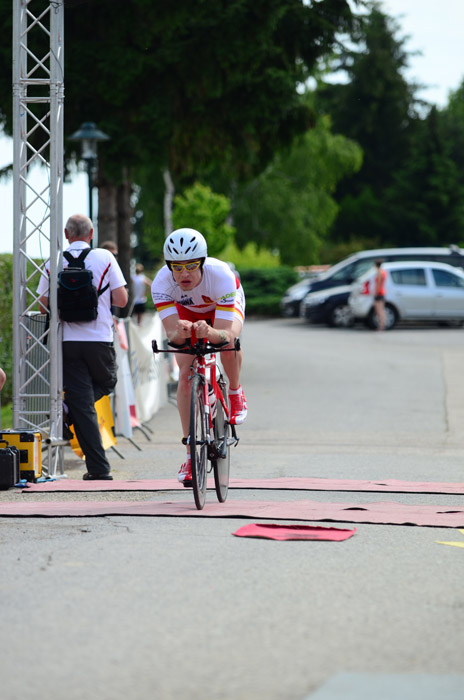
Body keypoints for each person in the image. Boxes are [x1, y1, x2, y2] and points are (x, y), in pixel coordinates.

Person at [151, 228, 247, 484]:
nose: (184, 274)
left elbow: (226, 334)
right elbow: (172, 336)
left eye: (191, 266)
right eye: (177, 267)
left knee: (227, 346)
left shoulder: (221, 276)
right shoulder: (161, 283)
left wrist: (210, 332)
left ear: (202, 262)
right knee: (185, 375)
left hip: (221, 309)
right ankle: (190, 456)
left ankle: (235, 392)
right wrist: (180, 332)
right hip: (186, 312)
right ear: (169, 266)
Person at [37, 214, 128, 480]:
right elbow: (122, 300)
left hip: (67, 340)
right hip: (99, 338)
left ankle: (97, 466)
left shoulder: (53, 261)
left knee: (82, 403)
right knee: (108, 382)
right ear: (91, 234)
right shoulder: (105, 257)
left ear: (67, 234)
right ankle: (98, 466)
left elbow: (42, 304)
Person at [373, 258, 387, 331]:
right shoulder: (384, 272)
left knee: (379, 310)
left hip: (379, 292)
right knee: (382, 310)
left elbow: (378, 284)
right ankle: (382, 324)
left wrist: (376, 293)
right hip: (382, 292)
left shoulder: (379, 272)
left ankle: (381, 325)